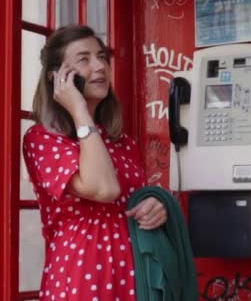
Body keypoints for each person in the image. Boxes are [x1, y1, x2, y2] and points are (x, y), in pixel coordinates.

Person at [22, 24, 168, 300]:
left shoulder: (121, 141)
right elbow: (104, 189)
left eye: (101, 57)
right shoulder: (42, 139)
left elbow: (129, 200)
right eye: (84, 59)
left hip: (136, 270)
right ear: (58, 77)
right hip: (83, 271)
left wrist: (156, 206)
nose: (99, 66)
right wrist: (78, 109)